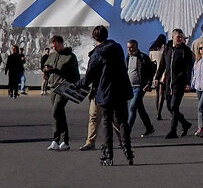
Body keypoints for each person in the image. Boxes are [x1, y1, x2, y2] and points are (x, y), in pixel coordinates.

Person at [81, 25, 134, 166]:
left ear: (94, 37)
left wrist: (78, 84)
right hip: (121, 90)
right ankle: (128, 151)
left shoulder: (97, 54)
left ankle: (108, 154)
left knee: (107, 123)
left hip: (105, 92)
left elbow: (88, 77)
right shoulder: (117, 48)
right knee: (122, 121)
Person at [43, 34, 79, 151]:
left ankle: (61, 139)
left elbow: (74, 74)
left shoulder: (70, 56)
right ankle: (59, 140)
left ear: (61, 44)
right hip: (53, 87)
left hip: (64, 86)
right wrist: (46, 69)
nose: (54, 48)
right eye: (53, 46)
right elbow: (45, 66)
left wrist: (56, 70)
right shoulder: (52, 55)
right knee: (58, 114)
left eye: (56, 46)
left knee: (56, 110)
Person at [159, 29, 194, 139]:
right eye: (178, 37)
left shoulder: (185, 51)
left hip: (179, 82)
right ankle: (185, 123)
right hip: (169, 82)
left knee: (174, 106)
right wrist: (157, 77)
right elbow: (162, 64)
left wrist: (188, 82)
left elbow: (189, 67)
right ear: (172, 37)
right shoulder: (167, 49)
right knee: (170, 107)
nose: (180, 39)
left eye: (181, 37)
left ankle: (173, 131)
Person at [126, 40, 155, 137]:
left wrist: (148, 84)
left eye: (131, 47)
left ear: (136, 47)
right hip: (130, 87)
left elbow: (151, 72)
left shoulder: (143, 57)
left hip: (140, 87)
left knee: (132, 107)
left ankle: (127, 131)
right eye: (128, 47)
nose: (129, 49)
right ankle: (149, 128)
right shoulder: (128, 58)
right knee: (140, 108)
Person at [148, 34, 167, 120]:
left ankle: (157, 111)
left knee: (157, 93)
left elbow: (150, 62)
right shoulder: (165, 49)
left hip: (155, 73)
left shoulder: (152, 50)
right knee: (161, 93)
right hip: (163, 73)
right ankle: (159, 112)